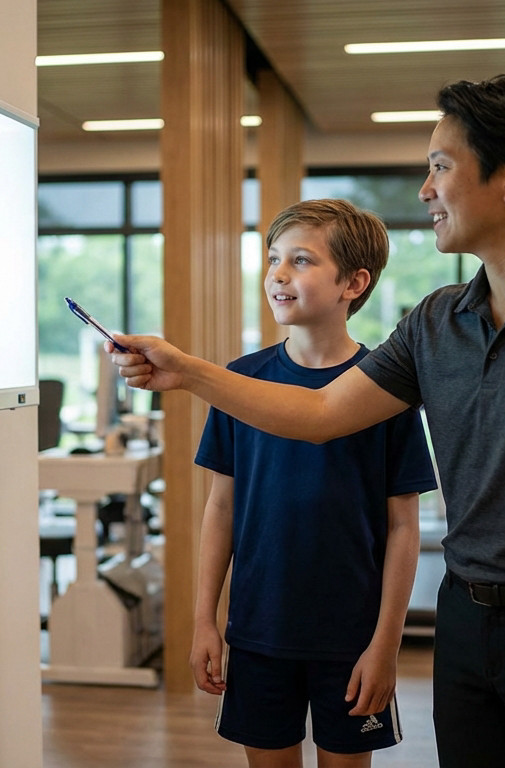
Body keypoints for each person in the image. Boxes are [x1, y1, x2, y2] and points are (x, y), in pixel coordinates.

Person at [113, 74, 505, 768]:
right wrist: (189, 372)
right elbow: (322, 412)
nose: (425, 189)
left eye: (441, 167)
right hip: (465, 622)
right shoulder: (436, 322)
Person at [189, 199, 439, 767]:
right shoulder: (239, 382)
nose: (278, 274)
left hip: (352, 640)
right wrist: (205, 619)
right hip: (257, 632)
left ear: (354, 282)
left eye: (300, 261)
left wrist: (386, 644)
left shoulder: (386, 391)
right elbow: (220, 510)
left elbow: (404, 527)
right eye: (274, 259)